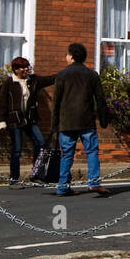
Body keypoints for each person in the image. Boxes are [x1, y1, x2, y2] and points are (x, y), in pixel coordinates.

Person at [51, 42, 111, 197]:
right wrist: (104, 119)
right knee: (91, 152)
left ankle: (63, 186)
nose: (66, 57)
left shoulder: (62, 75)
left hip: (66, 122)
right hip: (86, 120)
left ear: (71, 57)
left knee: (67, 154)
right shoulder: (92, 75)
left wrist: (54, 125)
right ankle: (94, 183)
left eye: (67, 54)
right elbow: (100, 99)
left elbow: (56, 102)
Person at [0, 57, 57, 187]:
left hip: (29, 119)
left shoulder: (33, 80)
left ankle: (35, 175)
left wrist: (65, 74)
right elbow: (2, 104)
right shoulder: (9, 82)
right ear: (16, 69)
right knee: (16, 150)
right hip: (14, 121)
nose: (25, 69)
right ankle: (14, 180)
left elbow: (50, 79)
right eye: (22, 67)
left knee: (40, 145)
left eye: (27, 67)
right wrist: (1, 122)